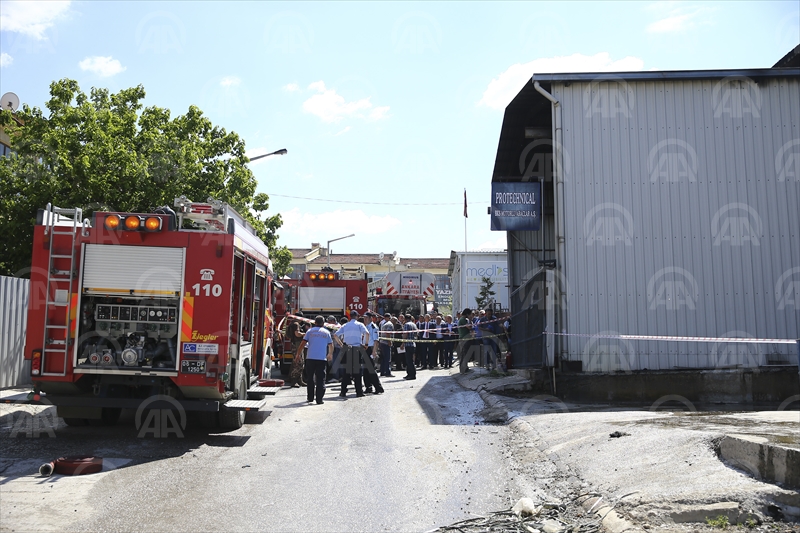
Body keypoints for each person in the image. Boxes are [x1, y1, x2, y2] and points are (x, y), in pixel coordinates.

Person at [295, 315, 333, 404]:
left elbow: (303, 343)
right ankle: (319, 399)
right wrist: (330, 354)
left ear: (315, 323)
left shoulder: (309, 331)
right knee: (320, 379)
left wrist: (298, 354)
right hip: (321, 359)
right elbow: (331, 345)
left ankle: (310, 398)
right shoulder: (326, 332)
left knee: (310, 378)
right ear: (323, 324)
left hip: (310, 358)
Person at [335, 311, 371, 398]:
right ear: (356, 316)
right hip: (356, 349)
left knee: (346, 372)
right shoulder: (360, 325)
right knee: (357, 372)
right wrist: (366, 344)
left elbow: (336, 335)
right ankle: (359, 392)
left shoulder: (345, 325)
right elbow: (367, 333)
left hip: (347, 348)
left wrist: (341, 344)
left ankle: (343, 391)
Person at [363, 312, 384, 394]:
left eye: (366, 318)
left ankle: (378, 388)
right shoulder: (366, 326)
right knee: (365, 370)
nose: (365, 319)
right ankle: (368, 387)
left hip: (371, 349)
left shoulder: (373, 327)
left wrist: (374, 351)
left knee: (371, 369)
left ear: (371, 318)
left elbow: (376, 340)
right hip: (365, 348)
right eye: (364, 318)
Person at [286, 315, 307, 387]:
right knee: (299, 363)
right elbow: (297, 334)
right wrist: (304, 334)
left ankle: (299, 380)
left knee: (297, 362)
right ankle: (294, 381)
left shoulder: (292, 323)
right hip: (297, 345)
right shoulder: (296, 324)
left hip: (294, 344)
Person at [458, 308, 476, 374]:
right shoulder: (463, 319)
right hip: (464, 339)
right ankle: (463, 369)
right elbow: (469, 327)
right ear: (467, 314)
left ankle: (465, 367)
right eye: (470, 314)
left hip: (466, 338)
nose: (471, 315)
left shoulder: (464, 319)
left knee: (466, 353)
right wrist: (471, 320)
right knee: (464, 354)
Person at [401, 314, 417, 380]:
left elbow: (405, 334)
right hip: (413, 344)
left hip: (408, 344)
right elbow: (416, 334)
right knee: (411, 360)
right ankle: (409, 374)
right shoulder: (414, 324)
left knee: (409, 361)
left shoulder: (407, 325)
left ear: (405, 318)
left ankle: (411, 375)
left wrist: (402, 343)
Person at [379, 313, 395, 377]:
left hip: (382, 342)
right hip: (386, 343)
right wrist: (389, 341)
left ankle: (382, 371)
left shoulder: (383, 323)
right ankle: (387, 372)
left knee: (383, 358)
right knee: (387, 358)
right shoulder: (389, 324)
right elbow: (388, 333)